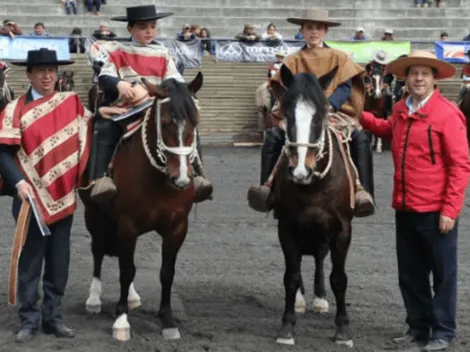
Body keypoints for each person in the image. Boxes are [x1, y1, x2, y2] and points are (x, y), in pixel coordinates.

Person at [361, 50, 470, 352]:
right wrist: (359, 116)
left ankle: (443, 332)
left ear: (435, 79)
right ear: (406, 78)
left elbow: (461, 165)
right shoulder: (399, 110)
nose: (418, 78)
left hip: (437, 211)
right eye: (413, 73)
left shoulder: (448, 114)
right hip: (406, 207)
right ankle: (418, 328)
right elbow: (388, 130)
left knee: (443, 275)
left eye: (425, 73)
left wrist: (450, 210)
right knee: (410, 274)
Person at [0, 48, 92, 342]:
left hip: (63, 197)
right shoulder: (14, 110)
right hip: (28, 198)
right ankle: (29, 319)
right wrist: (18, 184)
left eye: (51, 70)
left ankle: (53, 317)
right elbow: (3, 152)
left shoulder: (71, 104)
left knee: (59, 261)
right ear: (29, 75)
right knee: (30, 260)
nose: (47, 76)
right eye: (40, 71)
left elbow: (89, 130)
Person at [247, 8, 375, 217]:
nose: (313, 32)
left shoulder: (339, 57)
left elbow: (344, 86)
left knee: (360, 138)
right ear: (302, 31)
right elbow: (282, 86)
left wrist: (329, 106)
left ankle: (364, 192)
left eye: (318, 28)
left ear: (325, 31)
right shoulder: (294, 59)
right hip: (300, 114)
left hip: (333, 111)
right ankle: (267, 188)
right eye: (309, 28)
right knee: (274, 136)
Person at [91, 5, 213, 203]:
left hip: (157, 109)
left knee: (189, 127)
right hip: (127, 109)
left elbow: (175, 81)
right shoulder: (117, 51)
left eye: (152, 26)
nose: (149, 31)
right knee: (104, 128)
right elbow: (105, 76)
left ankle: (198, 174)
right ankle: (101, 177)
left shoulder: (163, 53)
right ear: (130, 29)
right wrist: (119, 83)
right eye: (142, 27)